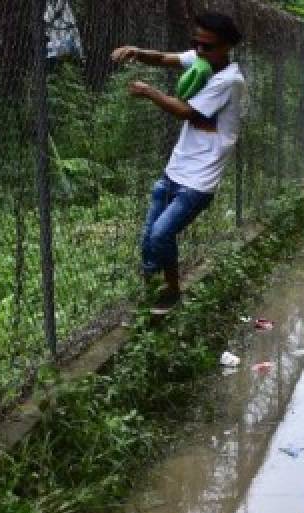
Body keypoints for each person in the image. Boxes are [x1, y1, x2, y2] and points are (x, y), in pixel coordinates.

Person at [111, 13, 246, 314]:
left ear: (226, 47)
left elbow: (185, 111)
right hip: (175, 169)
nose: (199, 51)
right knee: (149, 240)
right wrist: (137, 51)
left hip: (199, 180)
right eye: (195, 43)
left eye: (207, 46)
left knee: (161, 234)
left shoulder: (229, 80)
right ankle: (149, 292)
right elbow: (163, 58)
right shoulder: (202, 61)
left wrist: (149, 92)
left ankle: (171, 291)